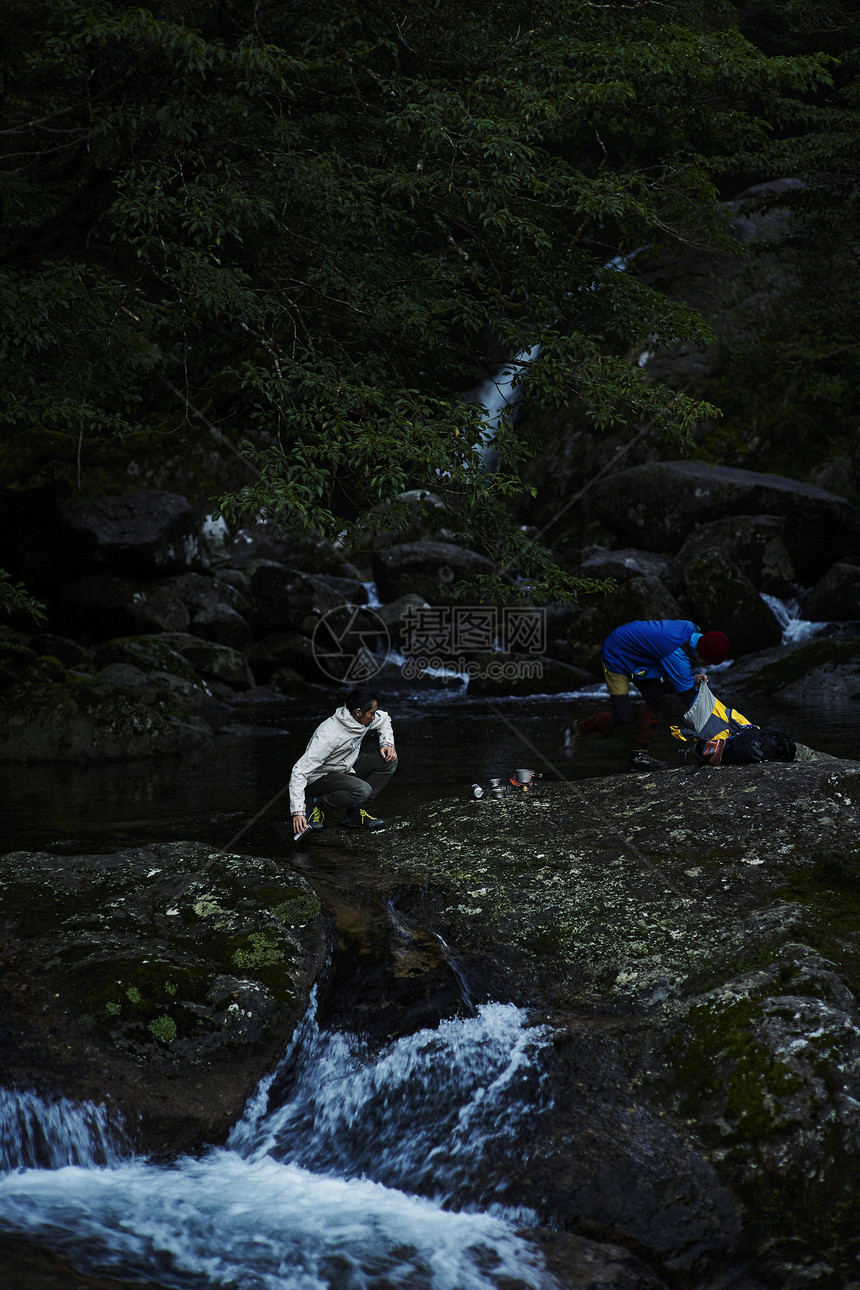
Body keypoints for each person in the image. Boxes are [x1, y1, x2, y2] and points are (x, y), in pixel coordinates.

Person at [563, 620, 730, 771]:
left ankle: (638, 756)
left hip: (644, 657)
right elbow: (692, 701)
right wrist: (725, 729)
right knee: (622, 716)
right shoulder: (674, 653)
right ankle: (576, 728)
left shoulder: (693, 630)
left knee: (657, 699)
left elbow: (676, 678)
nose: (707, 667)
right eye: (707, 663)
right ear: (702, 656)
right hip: (617, 654)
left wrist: (689, 678)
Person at [290, 687, 398, 836]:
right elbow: (299, 771)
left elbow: (384, 719)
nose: (374, 717)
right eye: (371, 713)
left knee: (389, 760)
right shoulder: (329, 735)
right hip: (320, 778)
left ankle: (356, 813)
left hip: (347, 766)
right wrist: (298, 811)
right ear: (358, 712)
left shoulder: (363, 720)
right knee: (362, 790)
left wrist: (387, 744)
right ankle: (315, 803)